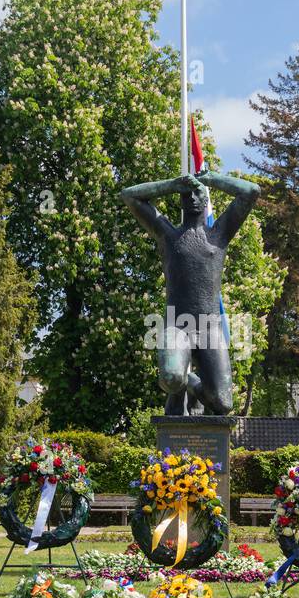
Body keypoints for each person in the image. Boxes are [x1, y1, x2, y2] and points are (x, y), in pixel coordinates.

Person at [120, 170, 260, 415]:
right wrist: (172, 184)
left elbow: (251, 192)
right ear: (180, 201)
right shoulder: (168, 234)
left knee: (222, 404)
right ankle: (180, 384)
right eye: (186, 194)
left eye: (197, 194)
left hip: (209, 328)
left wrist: (212, 178)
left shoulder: (219, 234)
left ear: (206, 200)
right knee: (173, 377)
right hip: (177, 326)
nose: (192, 198)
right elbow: (130, 196)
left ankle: (191, 383)